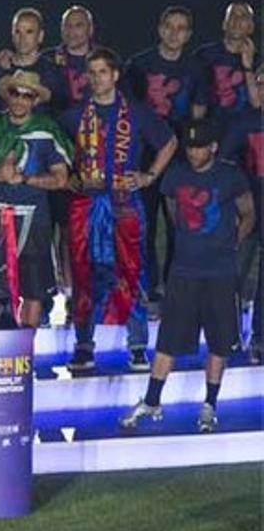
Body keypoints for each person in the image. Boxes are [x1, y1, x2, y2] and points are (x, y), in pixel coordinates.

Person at [120, 118, 255, 432]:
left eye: (199, 148)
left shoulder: (230, 175)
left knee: (219, 342)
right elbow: (170, 207)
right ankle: (152, 400)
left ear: (213, 147)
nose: (194, 154)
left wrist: (235, 240)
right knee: (168, 339)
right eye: (190, 148)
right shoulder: (176, 173)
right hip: (184, 269)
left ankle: (210, 404)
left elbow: (248, 211)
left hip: (220, 270)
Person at [60, 47, 177, 373]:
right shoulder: (74, 115)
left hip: (125, 201)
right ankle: (84, 346)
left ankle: (138, 347)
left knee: (132, 271)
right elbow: (54, 145)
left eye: (102, 72)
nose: (96, 78)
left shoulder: (137, 113)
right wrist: (66, 174)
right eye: (91, 72)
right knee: (85, 274)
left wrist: (149, 175)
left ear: (114, 75)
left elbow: (169, 143)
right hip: (88, 201)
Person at [0, 69, 73, 327]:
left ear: (35, 100)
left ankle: (26, 349)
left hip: (34, 220)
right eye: (16, 93)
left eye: (28, 95)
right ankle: (1, 342)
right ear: (7, 96)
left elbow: (61, 179)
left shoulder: (47, 131)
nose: (20, 100)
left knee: (33, 289)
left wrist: (24, 179)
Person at [126, 5, 203, 300]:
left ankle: (174, 286)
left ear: (189, 34)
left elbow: (198, 114)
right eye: (169, 26)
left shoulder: (195, 68)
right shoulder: (139, 65)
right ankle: (148, 287)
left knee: (178, 224)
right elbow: (129, 114)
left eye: (181, 28)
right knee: (143, 223)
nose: (174, 33)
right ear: (160, 29)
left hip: (180, 157)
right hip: (144, 154)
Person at [218, 63, 264, 361]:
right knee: (232, 271)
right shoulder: (244, 121)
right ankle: (228, 336)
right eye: (261, 82)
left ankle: (259, 337)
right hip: (247, 207)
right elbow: (223, 161)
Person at [0, 8, 67, 116]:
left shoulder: (53, 73)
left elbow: (60, 112)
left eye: (29, 32)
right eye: (17, 31)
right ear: (12, 34)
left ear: (40, 36)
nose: (22, 38)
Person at [193, 2, 259, 130]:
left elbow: (257, 104)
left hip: (246, 132)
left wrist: (247, 67)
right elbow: (193, 95)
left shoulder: (259, 62)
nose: (237, 20)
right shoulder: (204, 55)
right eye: (232, 15)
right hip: (209, 129)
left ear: (251, 27)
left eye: (243, 16)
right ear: (224, 24)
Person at [50, 6, 98, 109]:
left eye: (78, 26)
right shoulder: (48, 58)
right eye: (67, 26)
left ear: (90, 29)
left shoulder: (105, 59)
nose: (71, 31)